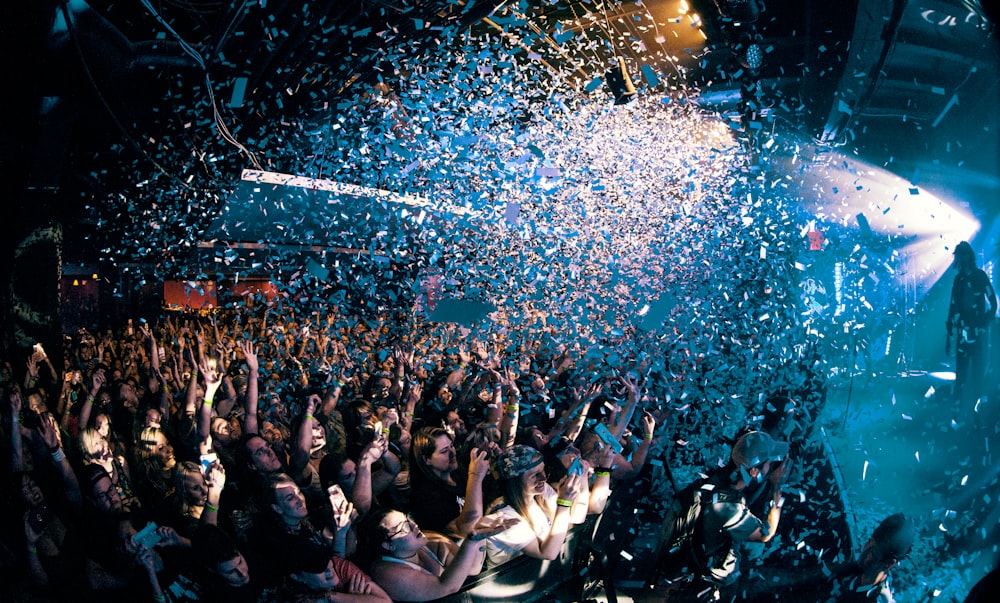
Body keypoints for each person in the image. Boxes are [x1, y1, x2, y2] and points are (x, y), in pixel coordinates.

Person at [945, 241, 997, 405]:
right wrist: (950, 331)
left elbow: (993, 301)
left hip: (978, 330)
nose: (962, 258)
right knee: (961, 371)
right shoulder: (958, 279)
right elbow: (953, 305)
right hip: (963, 331)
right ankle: (959, 405)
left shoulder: (980, 276)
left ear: (970, 255)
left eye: (964, 254)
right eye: (960, 255)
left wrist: (985, 322)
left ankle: (978, 406)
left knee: (978, 370)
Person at [836, 513, 916, 602]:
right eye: (869, 543)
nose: (866, 556)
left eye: (874, 553)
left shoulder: (871, 596)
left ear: (889, 564)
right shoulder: (852, 568)